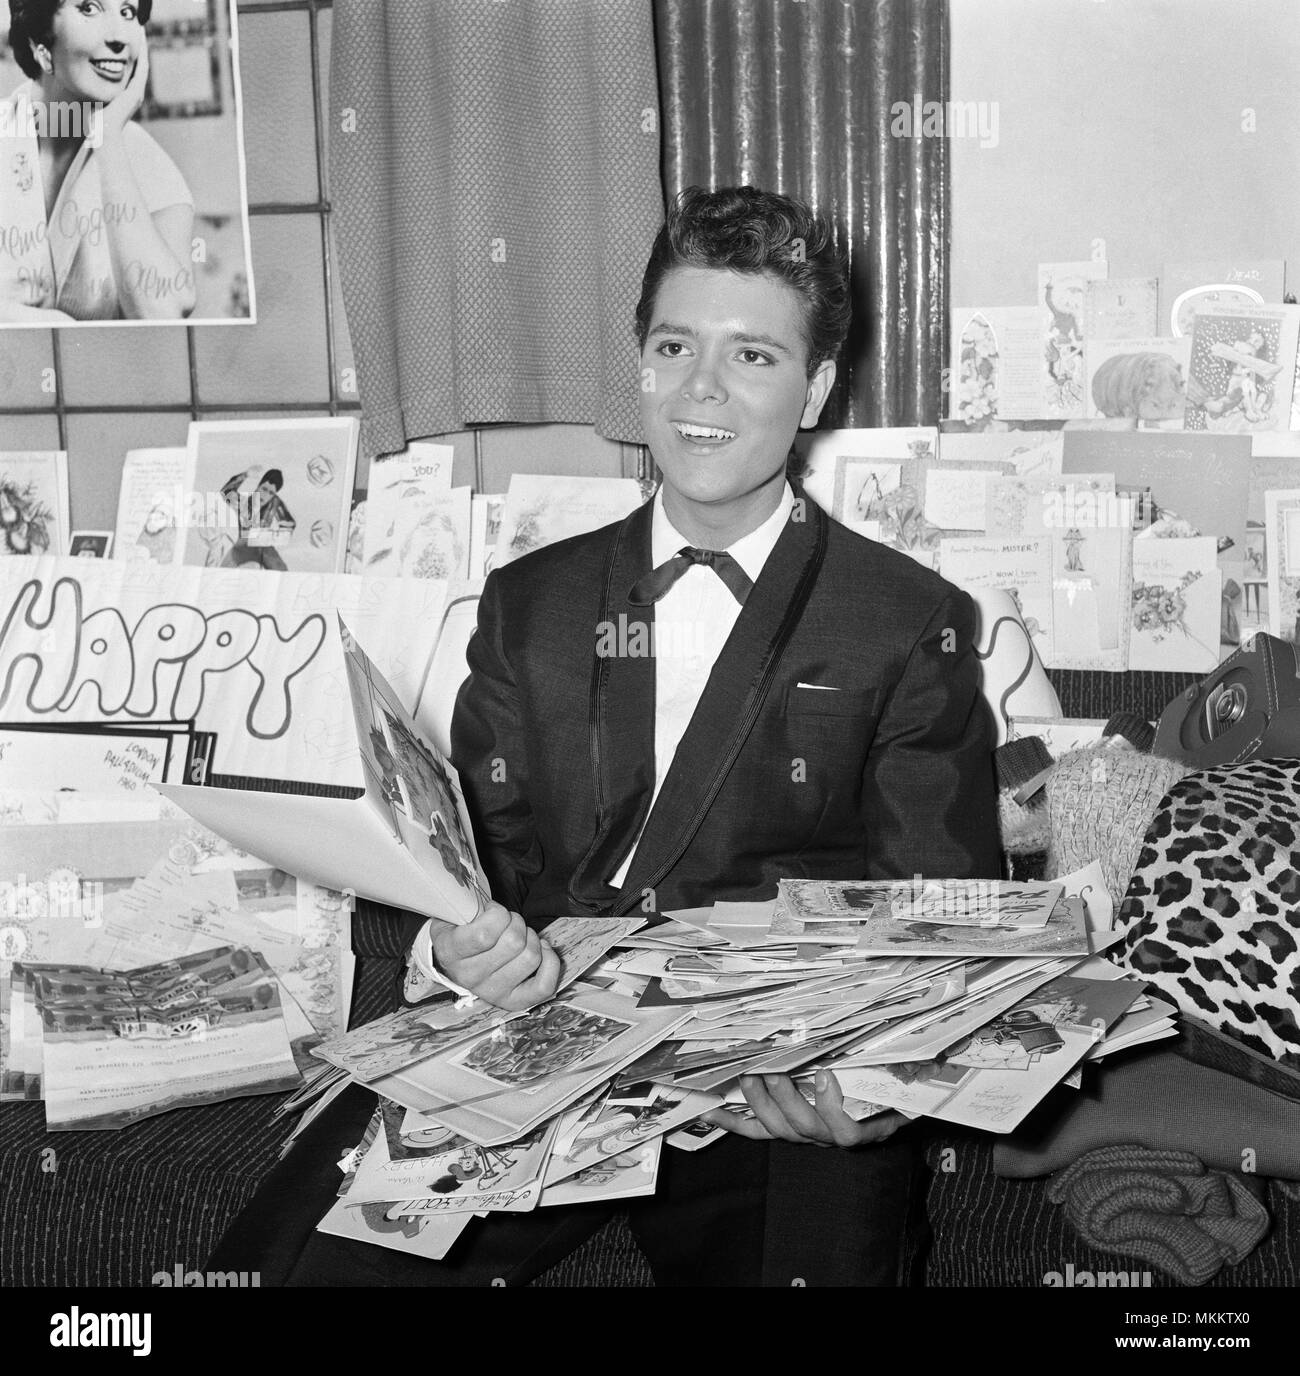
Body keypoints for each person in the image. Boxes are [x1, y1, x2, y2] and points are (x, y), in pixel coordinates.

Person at [208, 185, 1000, 1287]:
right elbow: (466, 868)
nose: (702, 390)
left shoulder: (906, 619)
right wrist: (458, 950)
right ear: (639, 361)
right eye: (674, 345)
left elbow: (937, 921)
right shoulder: (528, 603)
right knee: (303, 1271)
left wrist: (877, 1084)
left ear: (814, 387)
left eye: (753, 357)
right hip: (541, 1042)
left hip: (776, 1089)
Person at [1, 0, 195, 321]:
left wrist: (109, 138)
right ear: (39, 35)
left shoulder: (154, 170)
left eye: (128, 12)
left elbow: (163, 316)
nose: (119, 37)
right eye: (89, 8)